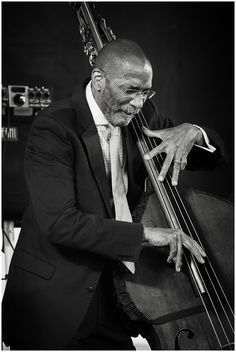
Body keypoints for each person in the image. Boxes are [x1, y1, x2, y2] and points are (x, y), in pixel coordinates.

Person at [2, 39, 224, 350]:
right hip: (55, 303)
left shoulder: (144, 116)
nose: (138, 103)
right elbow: (61, 224)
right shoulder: (54, 128)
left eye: (145, 92)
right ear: (98, 81)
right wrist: (146, 235)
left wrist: (193, 132)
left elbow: (214, 157)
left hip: (118, 297)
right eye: (130, 91)